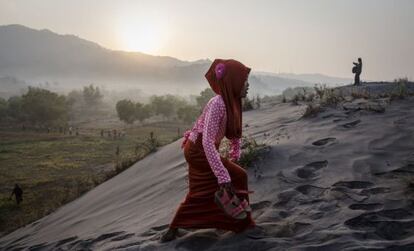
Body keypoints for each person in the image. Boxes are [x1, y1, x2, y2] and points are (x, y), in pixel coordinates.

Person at [160, 59, 264, 242]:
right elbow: (207, 141)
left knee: (200, 191)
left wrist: (234, 156)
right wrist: (223, 175)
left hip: (204, 149)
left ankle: (174, 229)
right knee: (238, 177)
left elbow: (235, 134)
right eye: (244, 81)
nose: (247, 86)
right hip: (198, 150)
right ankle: (242, 224)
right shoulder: (218, 103)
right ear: (234, 82)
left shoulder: (233, 102)